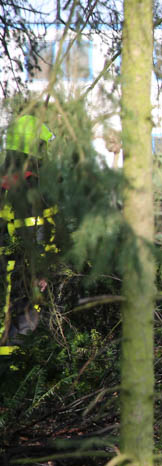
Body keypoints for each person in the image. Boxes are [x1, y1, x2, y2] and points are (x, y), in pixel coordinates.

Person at [0, 114, 56, 365]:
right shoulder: (30, 185)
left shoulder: (5, 181)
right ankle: (13, 375)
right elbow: (34, 232)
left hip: (7, 268)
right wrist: (40, 272)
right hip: (20, 272)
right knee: (21, 328)